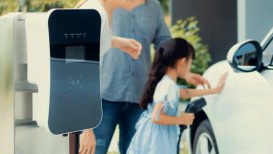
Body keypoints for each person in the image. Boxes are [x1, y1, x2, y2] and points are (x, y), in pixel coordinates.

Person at [82, 0, 213, 154]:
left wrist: (184, 72)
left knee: (139, 149)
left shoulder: (153, 7)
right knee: (93, 149)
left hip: (139, 95)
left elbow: (165, 45)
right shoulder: (106, 6)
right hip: (105, 92)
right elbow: (90, 47)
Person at [127, 38, 228, 154]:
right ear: (182, 61)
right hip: (157, 141)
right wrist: (181, 119)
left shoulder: (168, 83)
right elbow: (156, 117)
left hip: (155, 136)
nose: (190, 67)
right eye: (190, 63)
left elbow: (186, 93)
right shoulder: (167, 86)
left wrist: (215, 90)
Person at [76, 0, 145, 154]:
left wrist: (116, 42)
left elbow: (90, 42)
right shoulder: (96, 13)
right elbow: (83, 73)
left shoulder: (101, 10)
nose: (143, 1)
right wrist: (87, 129)